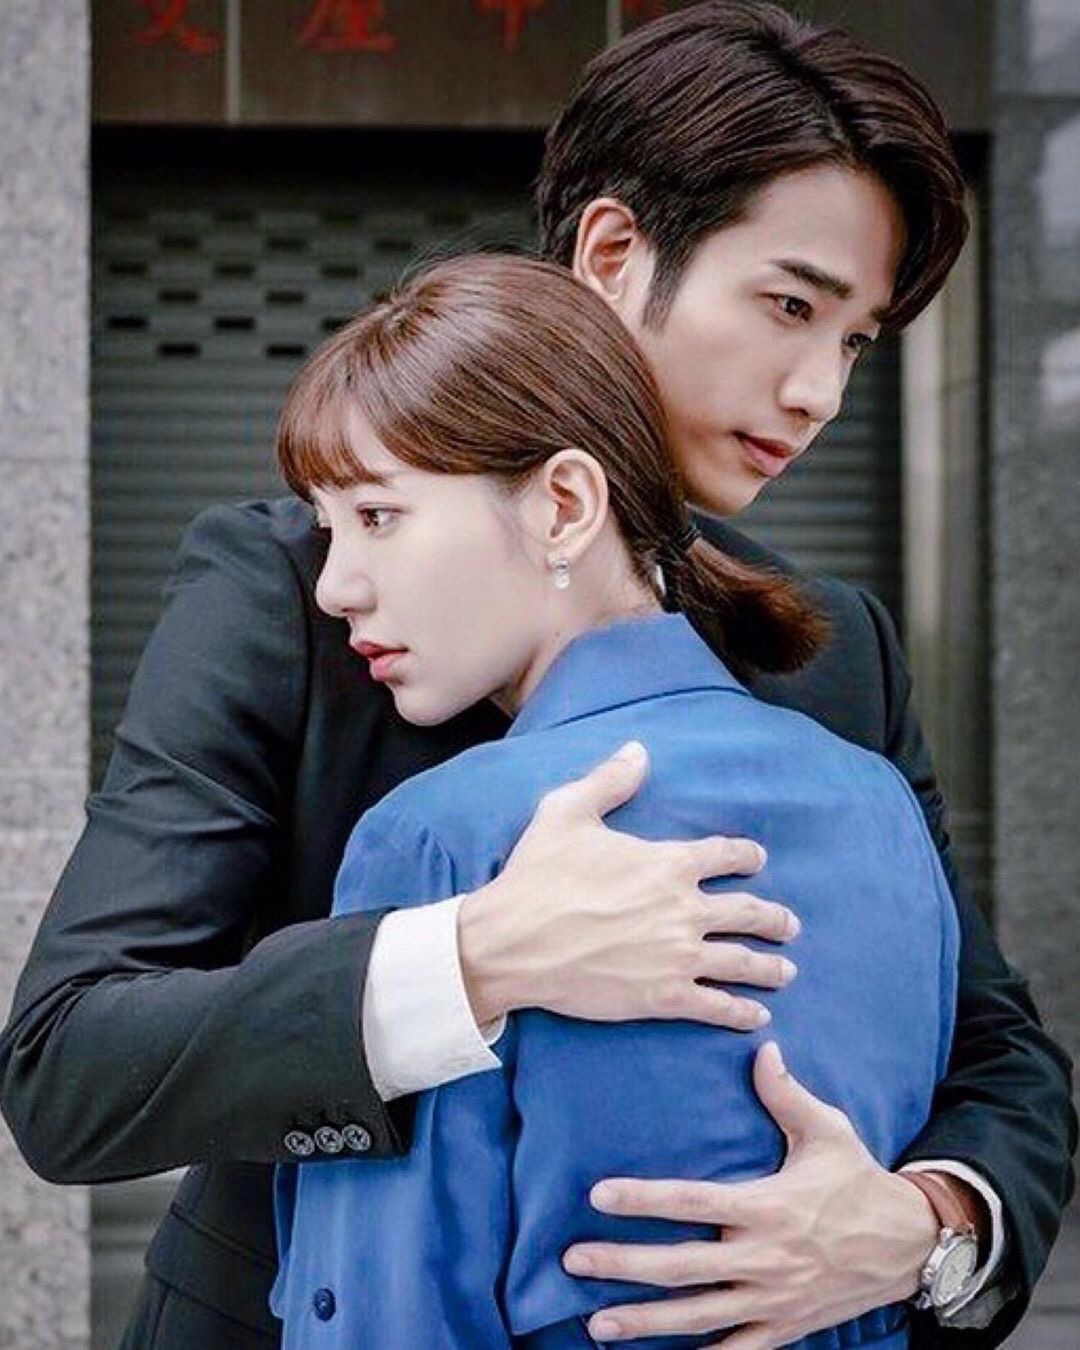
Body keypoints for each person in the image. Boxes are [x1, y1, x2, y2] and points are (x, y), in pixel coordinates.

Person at [0, 3, 1072, 1348]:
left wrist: (922, 1225)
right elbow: (70, 1066)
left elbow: (998, 1054)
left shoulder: (832, 645)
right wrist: (472, 958)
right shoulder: (294, 592)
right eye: (790, 305)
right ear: (615, 253)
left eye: (855, 340)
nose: (820, 393)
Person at [269, 250, 961, 1350]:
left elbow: (383, 1312)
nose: (334, 586)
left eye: (379, 516)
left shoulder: (446, 831)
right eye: (328, 527)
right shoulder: (877, 801)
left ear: (564, 505)